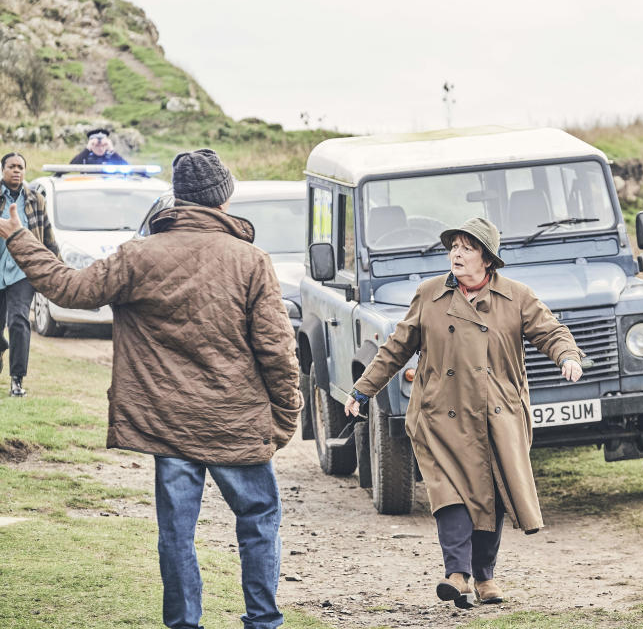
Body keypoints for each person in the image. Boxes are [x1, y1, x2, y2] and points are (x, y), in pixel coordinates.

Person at [0, 148, 302, 629]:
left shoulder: (137, 256)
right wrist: (286, 417)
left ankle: (185, 623)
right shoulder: (251, 261)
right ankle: (263, 621)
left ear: (179, 198)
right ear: (223, 197)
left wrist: (18, 236)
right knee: (259, 521)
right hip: (235, 422)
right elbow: (277, 351)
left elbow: (70, 289)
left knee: (176, 534)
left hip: (167, 423)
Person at [344, 217, 583, 608]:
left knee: (491, 495)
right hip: (438, 415)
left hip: (497, 414)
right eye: (453, 246)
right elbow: (395, 348)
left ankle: (485, 577)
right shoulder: (430, 294)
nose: (456, 253)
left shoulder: (517, 296)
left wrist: (567, 356)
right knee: (448, 493)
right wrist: (362, 390)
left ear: (487, 259)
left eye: (467, 247)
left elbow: (552, 331)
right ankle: (457, 574)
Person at [0, 152, 59, 397]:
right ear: (2, 170)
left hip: (21, 274)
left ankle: (17, 380)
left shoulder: (35, 199)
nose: (17, 171)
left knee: (19, 321)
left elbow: (47, 236)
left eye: (21, 167)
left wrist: (58, 268)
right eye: (12, 167)